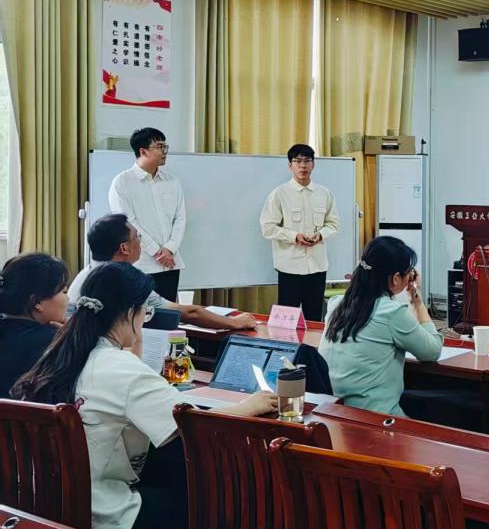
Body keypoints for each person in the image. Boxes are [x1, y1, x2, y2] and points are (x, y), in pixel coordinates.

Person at [12, 262, 276, 529]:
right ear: (131, 312)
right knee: (214, 498)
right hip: (106, 516)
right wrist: (251, 405)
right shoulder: (118, 366)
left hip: (45, 506)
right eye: (145, 312)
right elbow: (192, 423)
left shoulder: (60, 353)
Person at [319, 236, 441, 415]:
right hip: (376, 418)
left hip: (333, 414)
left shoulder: (336, 304)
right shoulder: (391, 312)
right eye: (408, 272)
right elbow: (432, 351)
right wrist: (417, 301)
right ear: (396, 278)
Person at [71, 214, 257, 331]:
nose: (140, 243)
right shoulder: (121, 278)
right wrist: (236, 322)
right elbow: (190, 313)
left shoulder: (85, 274)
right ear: (124, 248)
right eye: (138, 237)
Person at [260, 144, 340, 321]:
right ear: (290, 165)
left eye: (307, 161)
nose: (303, 165)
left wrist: (321, 235)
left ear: (313, 164)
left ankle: (312, 341)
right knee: (286, 320)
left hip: (317, 267)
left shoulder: (324, 193)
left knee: (314, 319)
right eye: (298, 161)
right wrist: (294, 237)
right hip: (290, 268)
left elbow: (333, 224)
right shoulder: (279, 194)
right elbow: (267, 227)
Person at [108, 127, 186, 303]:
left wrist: (170, 249)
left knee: (169, 314)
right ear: (143, 151)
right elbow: (128, 223)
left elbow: (180, 218)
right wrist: (158, 252)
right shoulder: (122, 182)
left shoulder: (172, 181)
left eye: (165, 146)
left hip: (170, 264)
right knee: (140, 313)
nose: (164, 151)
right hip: (141, 264)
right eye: (159, 146)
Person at [0, 253, 69, 398]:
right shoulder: (54, 342)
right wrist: (71, 335)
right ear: (37, 302)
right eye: (64, 291)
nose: (68, 299)